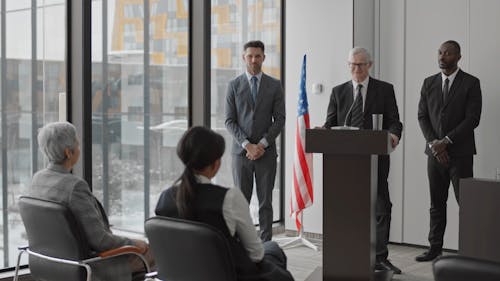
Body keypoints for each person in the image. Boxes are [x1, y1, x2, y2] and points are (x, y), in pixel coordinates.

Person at [155, 126, 294, 281]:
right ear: (216, 164)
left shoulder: (164, 198)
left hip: (179, 276)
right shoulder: (229, 198)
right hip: (231, 275)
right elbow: (256, 254)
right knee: (273, 250)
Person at [28, 122, 155, 281]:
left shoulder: (37, 180)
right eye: (77, 144)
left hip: (50, 262)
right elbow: (101, 241)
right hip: (88, 266)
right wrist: (136, 243)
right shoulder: (75, 187)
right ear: (69, 152)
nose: (79, 148)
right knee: (154, 252)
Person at [323, 47, 403, 274]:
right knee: (347, 208)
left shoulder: (385, 90)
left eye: (360, 64)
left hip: (375, 160)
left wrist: (394, 135)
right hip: (345, 164)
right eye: (352, 64)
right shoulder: (338, 92)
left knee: (381, 207)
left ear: (370, 65)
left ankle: (380, 258)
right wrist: (323, 130)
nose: (356, 69)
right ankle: (348, 255)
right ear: (347, 65)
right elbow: (330, 123)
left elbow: (395, 121)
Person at [416, 40, 482, 262]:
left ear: (458, 57)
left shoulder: (471, 83)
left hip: (460, 154)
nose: (442, 57)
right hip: (434, 154)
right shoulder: (428, 83)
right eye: (440, 52)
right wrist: (436, 144)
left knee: (467, 204)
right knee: (436, 203)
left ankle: (470, 251)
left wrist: (447, 141)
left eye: (448, 53)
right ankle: (435, 249)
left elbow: (473, 119)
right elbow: (422, 116)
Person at [225, 40, 286, 241]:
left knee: (265, 202)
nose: (253, 60)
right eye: (250, 56)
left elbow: (280, 119)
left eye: (257, 56)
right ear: (244, 57)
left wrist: (261, 144)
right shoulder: (233, 85)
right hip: (240, 154)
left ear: (263, 58)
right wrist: (247, 144)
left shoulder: (275, 85)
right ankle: (242, 243)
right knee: (240, 203)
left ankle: (266, 244)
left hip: (266, 153)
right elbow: (229, 121)